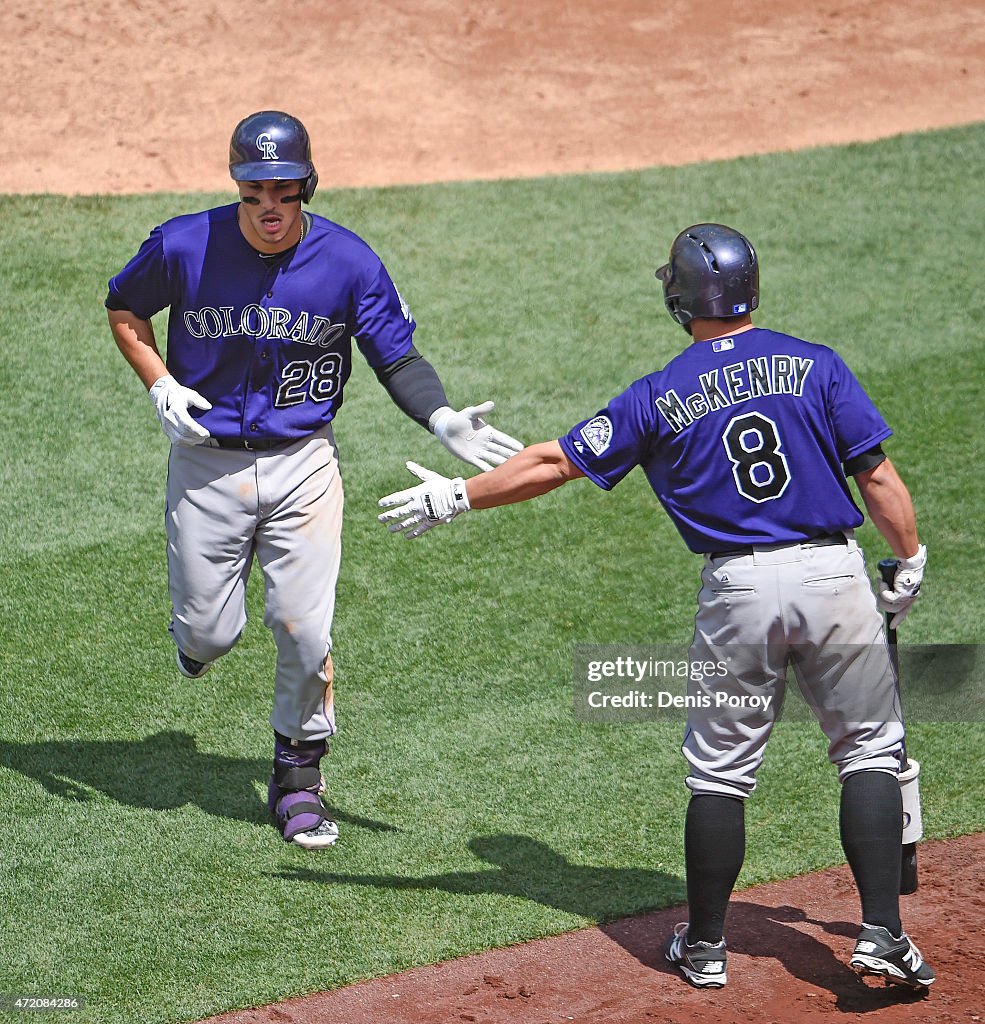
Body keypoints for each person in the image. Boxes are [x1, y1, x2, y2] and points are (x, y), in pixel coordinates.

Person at [376, 223, 934, 990]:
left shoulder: (659, 394)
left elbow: (553, 461)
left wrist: (455, 496)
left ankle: (704, 948)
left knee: (720, 774)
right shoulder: (815, 366)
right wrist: (906, 560)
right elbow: (875, 478)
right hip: (832, 576)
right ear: (752, 289)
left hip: (736, 591)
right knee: (868, 750)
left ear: (678, 296)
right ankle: (881, 935)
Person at [106, 110, 523, 851]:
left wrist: (442, 420)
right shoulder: (182, 244)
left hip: (304, 464)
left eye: (286, 190)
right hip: (207, 464)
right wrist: (159, 384)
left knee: (304, 628)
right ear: (237, 186)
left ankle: (298, 779)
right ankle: (197, 636)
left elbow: (395, 357)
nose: (270, 207)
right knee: (210, 635)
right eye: (254, 190)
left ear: (307, 184)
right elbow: (125, 308)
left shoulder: (348, 261)